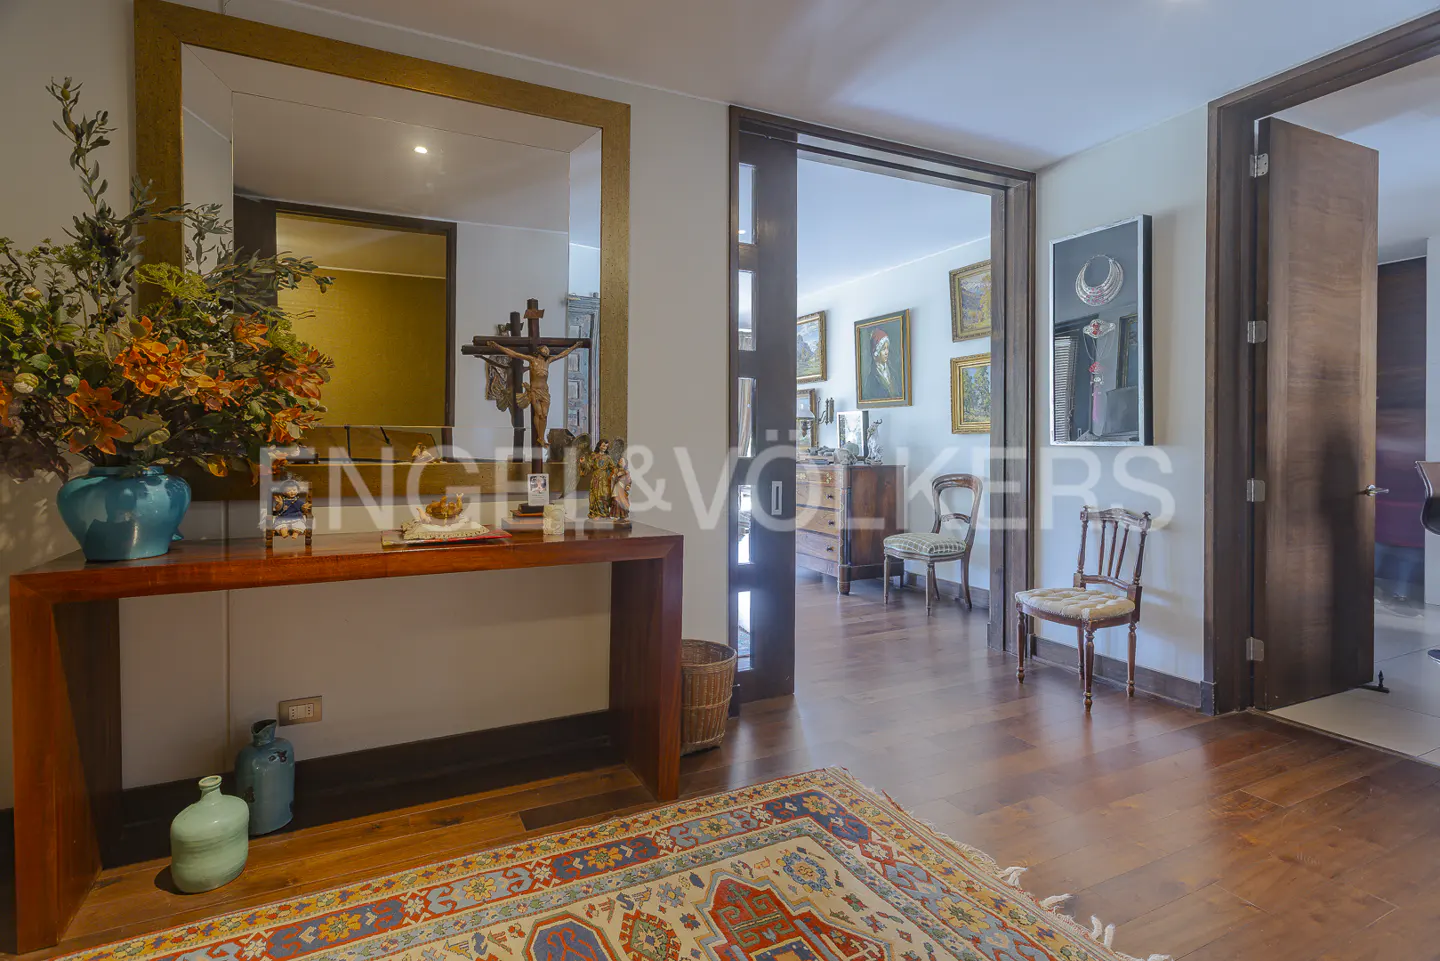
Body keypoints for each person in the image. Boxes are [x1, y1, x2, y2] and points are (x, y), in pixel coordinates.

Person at [862, 328, 902, 401]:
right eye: (883, 349)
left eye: (887, 348)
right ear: (876, 353)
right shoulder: (871, 379)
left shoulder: (893, 373)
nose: (887, 352)